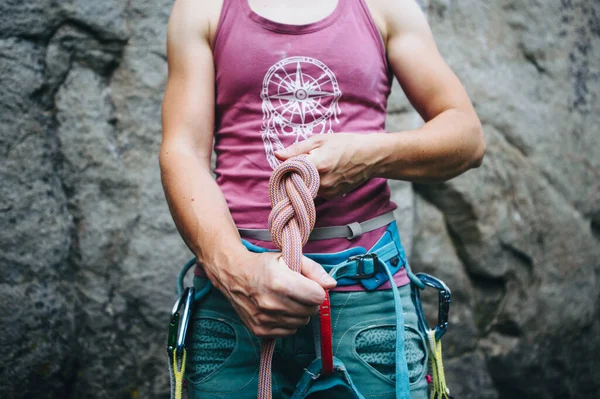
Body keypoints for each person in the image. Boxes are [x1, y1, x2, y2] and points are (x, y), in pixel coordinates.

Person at [160, 0, 485, 397]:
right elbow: (182, 151)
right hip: (235, 297)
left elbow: (466, 137)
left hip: (365, 290)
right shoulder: (202, 7)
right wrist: (237, 272)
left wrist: (366, 156)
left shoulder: (385, 6)